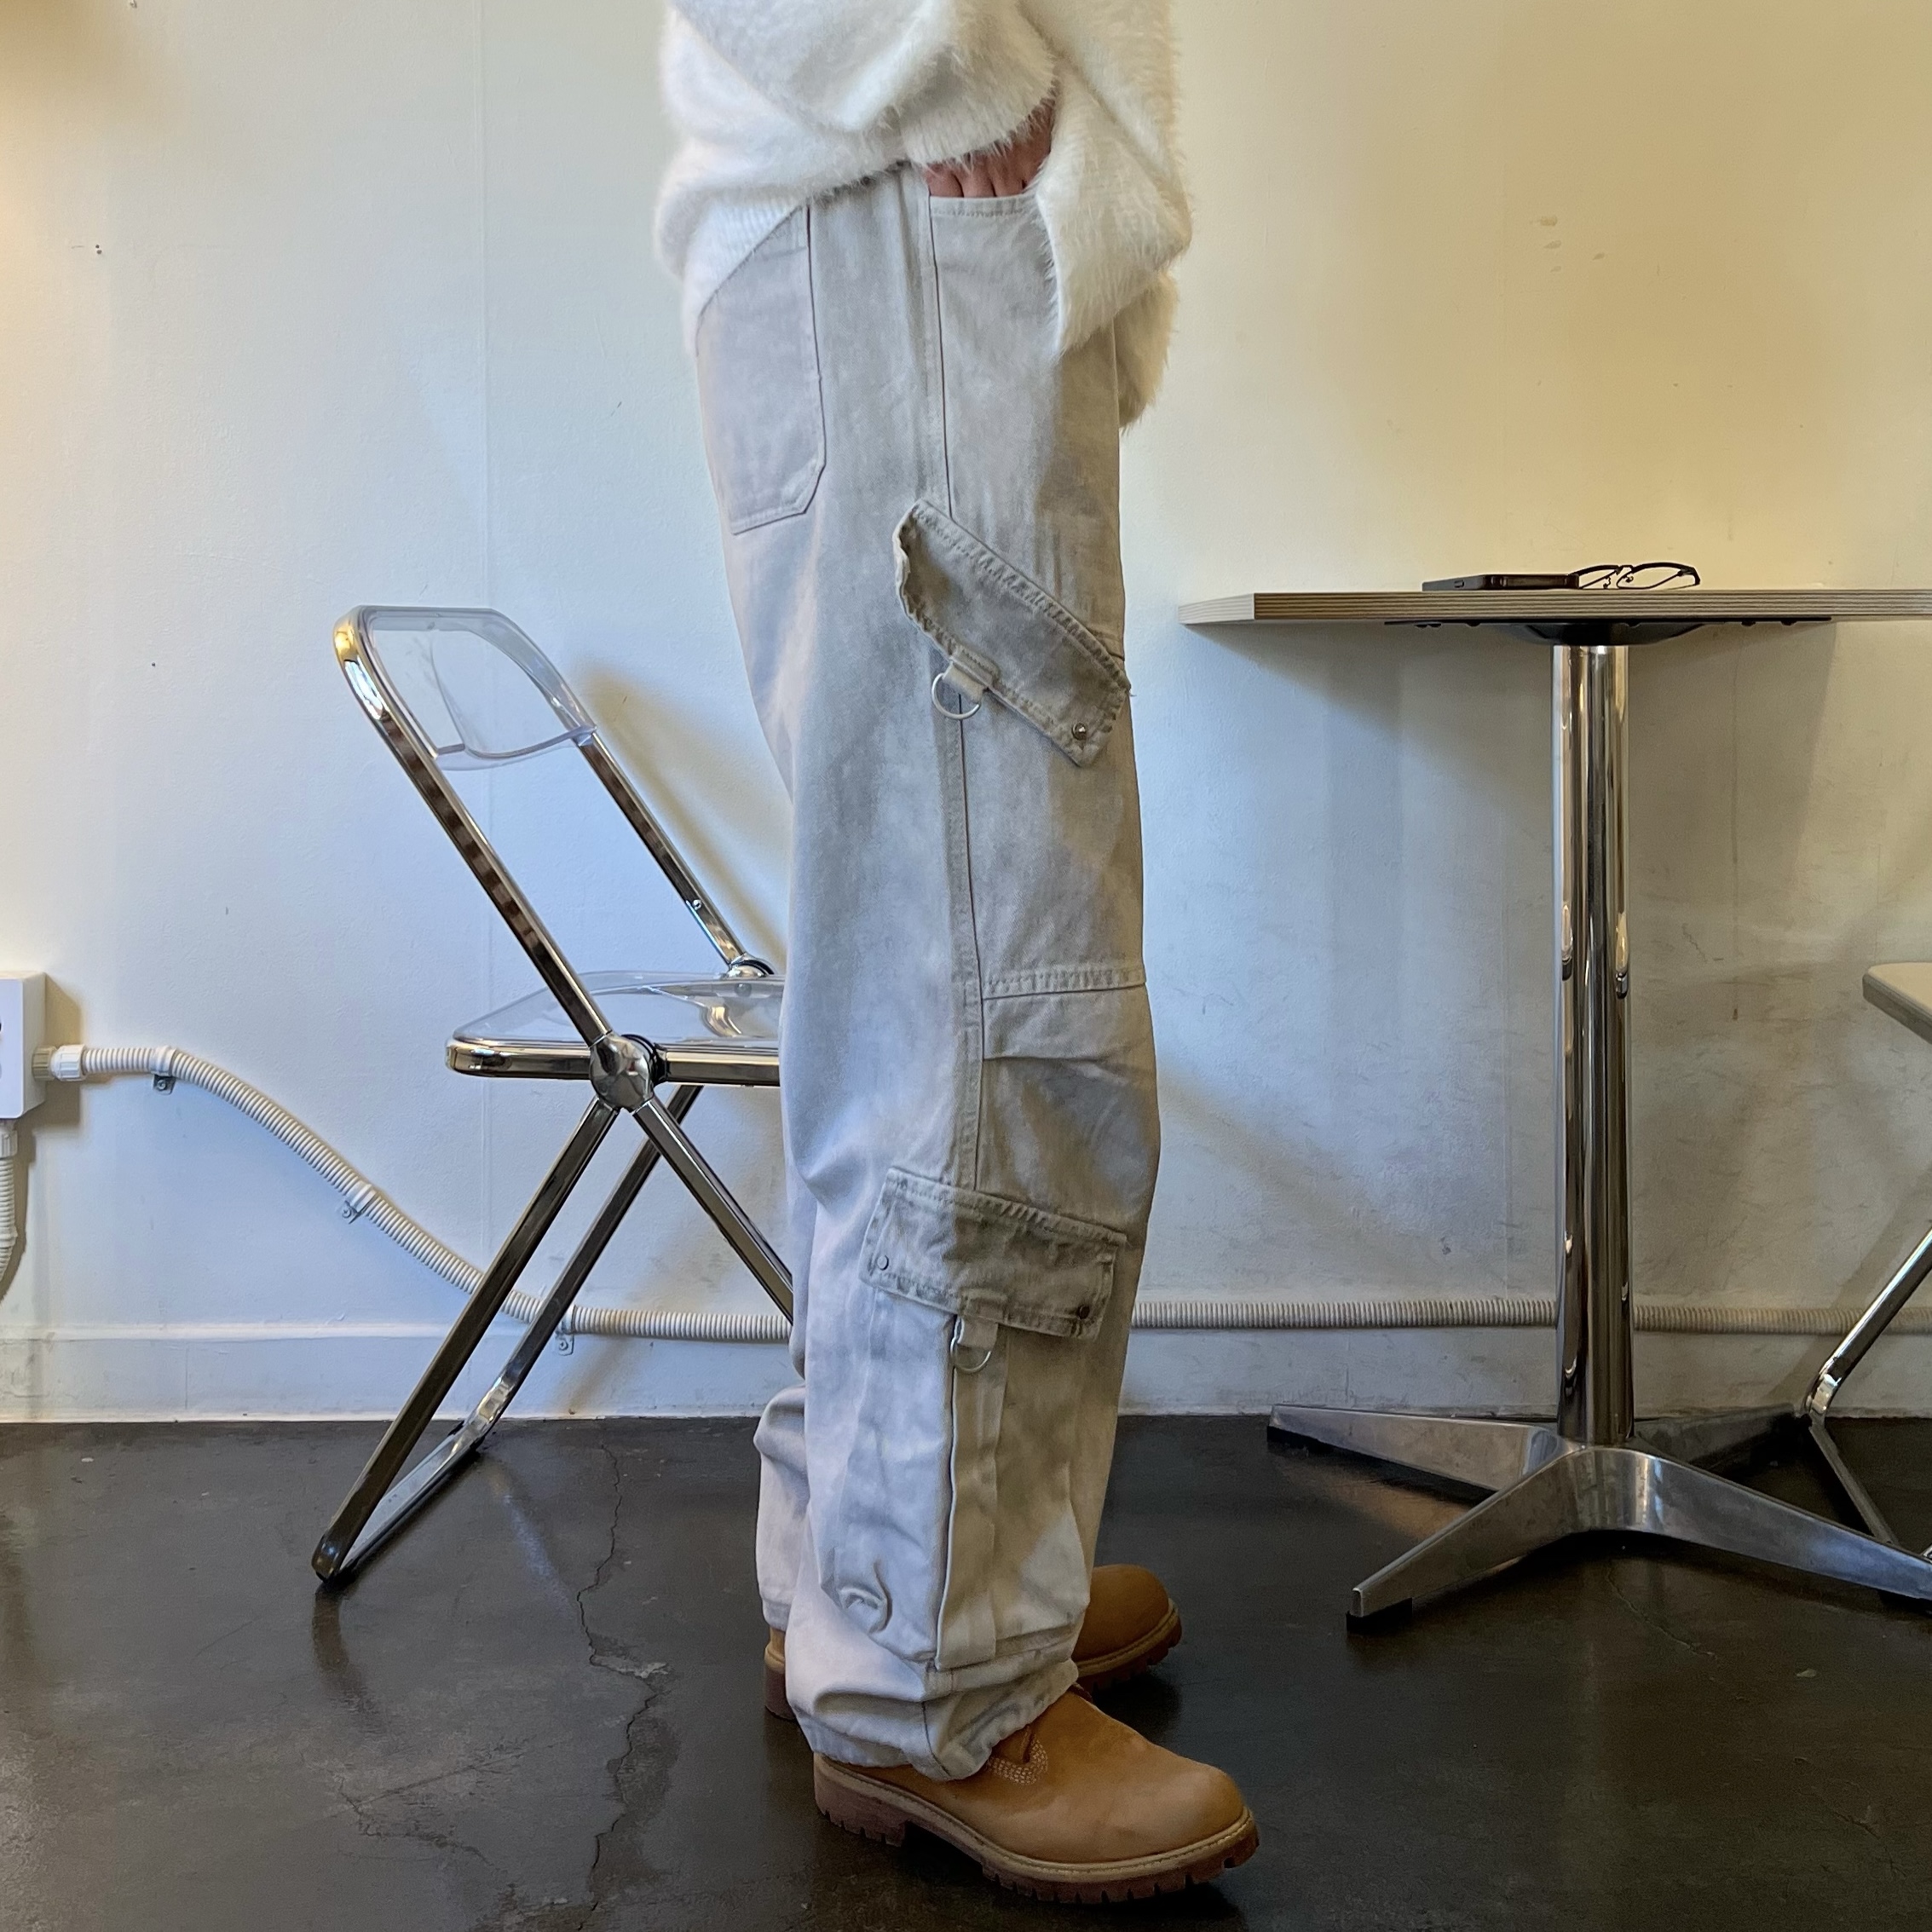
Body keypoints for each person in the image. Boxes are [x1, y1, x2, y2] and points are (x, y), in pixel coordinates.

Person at [656, 2, 1257, 1903]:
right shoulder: (928, 125)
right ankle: (938, 1673)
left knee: (928, 951)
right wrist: (952, 67)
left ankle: (876, 1569)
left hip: (919, 229)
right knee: (991, 975)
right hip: (909, 204)